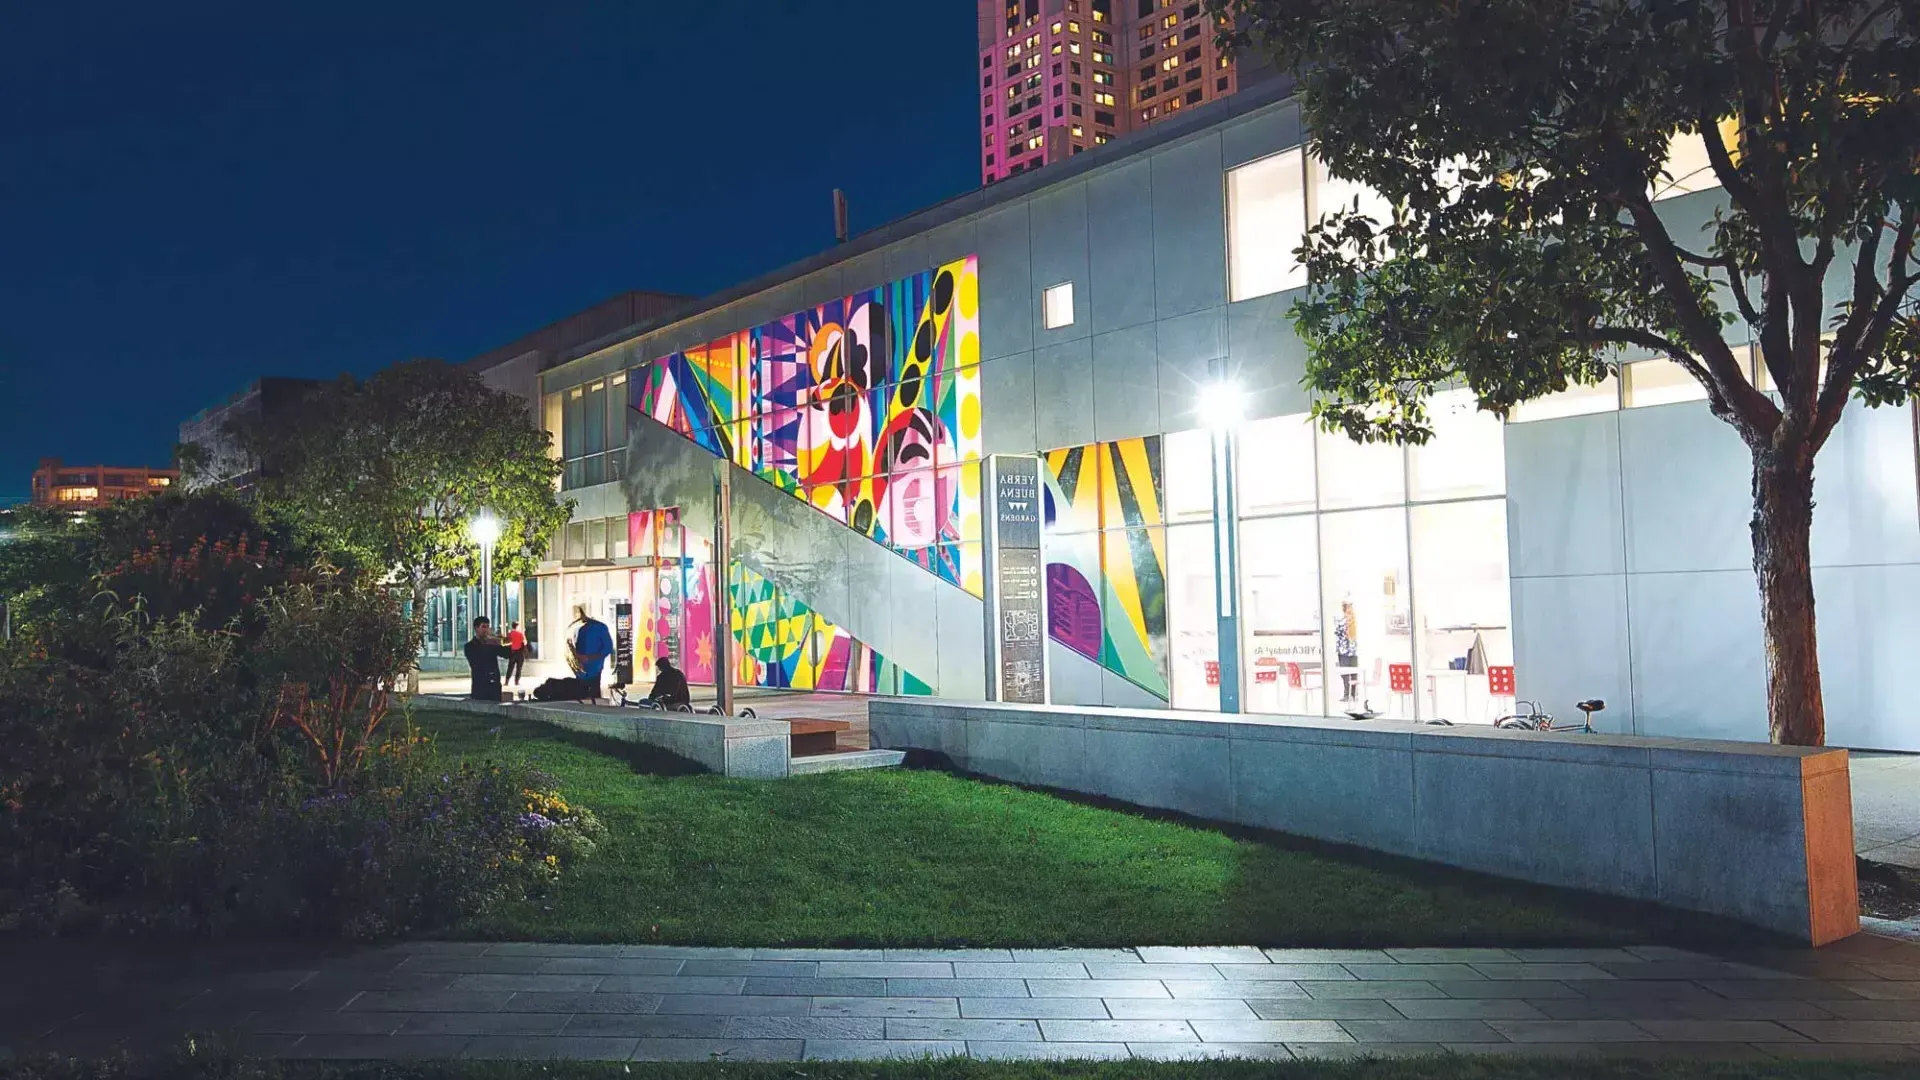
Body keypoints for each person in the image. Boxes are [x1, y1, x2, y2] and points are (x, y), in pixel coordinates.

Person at [569, 604, 614, 701]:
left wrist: (590, 658)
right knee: (582, 695)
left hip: (594, 667)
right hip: (581, 668)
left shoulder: (600, 627)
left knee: (593, 694)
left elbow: (608, 648)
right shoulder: (581, 629)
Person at [463, 616, 509, 702]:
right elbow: (476, 662)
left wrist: (505, 643)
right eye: (483, 627)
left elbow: (506, 654)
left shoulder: (491, 644)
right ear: (476, 628)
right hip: (480, 685)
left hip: (494, 685)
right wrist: (488, 644)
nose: (486, 630)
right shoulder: (470, 646)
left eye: (488, 627)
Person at [504, 620, 527, 687]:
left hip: (512, 653)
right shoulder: (520, 634)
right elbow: (525, 642)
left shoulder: (510, 633)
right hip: (520, 653)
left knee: (510, 667)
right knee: (519, 668)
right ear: (517, 626)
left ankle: (506, 682)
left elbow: (506, 642)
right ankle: (516, 682)